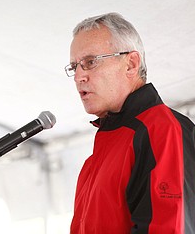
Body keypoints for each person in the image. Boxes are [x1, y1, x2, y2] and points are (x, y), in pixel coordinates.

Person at [65, 12, 195, 233]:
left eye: (90, 62)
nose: (78, 77)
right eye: (74, 67)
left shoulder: (161, 130)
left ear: (131, 64)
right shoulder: (94, 160)